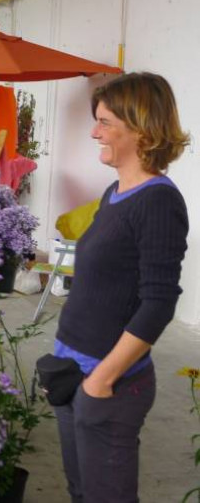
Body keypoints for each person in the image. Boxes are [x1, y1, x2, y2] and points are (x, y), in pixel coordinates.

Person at [53, 72, 189, 503]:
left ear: (141, 127)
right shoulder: (116, 192)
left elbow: (159, 304)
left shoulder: (159, 202)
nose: (94, 132)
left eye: (105, 122)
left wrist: (101, 380)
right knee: (80, 491)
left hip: (108, 382)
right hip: (72, 370)